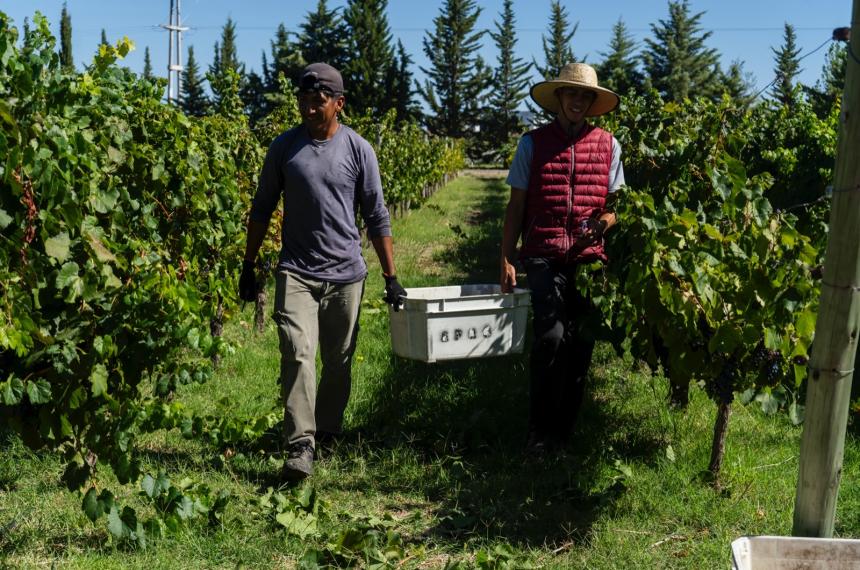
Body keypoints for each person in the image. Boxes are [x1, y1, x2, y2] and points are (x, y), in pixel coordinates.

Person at [239, 62, 407, 481]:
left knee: (339, 361)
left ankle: (328, 430)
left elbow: (377, 214)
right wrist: (248, 264)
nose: (309, 109)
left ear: (338, 104)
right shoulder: (284, 148)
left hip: (347, 274)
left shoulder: (358, 150)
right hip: (295, 270)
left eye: (318, 102)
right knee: (298, 353)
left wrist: (391, 276)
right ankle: (301, 444)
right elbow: (261, 208)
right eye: (303, 101)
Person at [499, 62, 624, 452]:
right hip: (543, 253)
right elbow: (516, 205)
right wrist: (506, 257)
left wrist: (601, 226)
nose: (578, 101)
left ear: (592, 102)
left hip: (588, 258)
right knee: (551, 337)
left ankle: (564, 431)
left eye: (586, 96)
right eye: (572, 94)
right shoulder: (532, 144)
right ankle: (539, 428)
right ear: (558, 99)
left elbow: (615, 206)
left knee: (580, 342)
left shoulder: (608, 145)